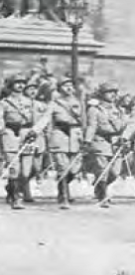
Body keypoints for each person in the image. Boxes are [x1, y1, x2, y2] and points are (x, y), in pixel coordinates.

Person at [0, 74, 48, 209]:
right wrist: (1, 130)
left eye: (22, 83)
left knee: (26, 172)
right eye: (17, 83)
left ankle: (11, 188)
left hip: (27, 134)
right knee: (14, 168)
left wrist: (36, 130)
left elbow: (42, 118)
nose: (20, 85)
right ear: (10, 85)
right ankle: (16, 199)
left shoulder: (31, 102)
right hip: (10, 135)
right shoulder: (4, 103)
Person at [83, 82, 126, 207]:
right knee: (103, 170)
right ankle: (103, 196)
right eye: (109, 92)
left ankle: (99, 186)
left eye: (114, 92)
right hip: (100, 141)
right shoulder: (94, 109)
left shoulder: (119, 110)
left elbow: (124, 126)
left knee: (115, 172)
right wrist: (87, 141)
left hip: (116, 142)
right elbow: (92, 126)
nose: (113, 95)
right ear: (101, 94)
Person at [49, 78, 83, 209]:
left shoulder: (79, 103)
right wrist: (36, 131)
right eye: (65, 85)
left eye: (71, 85)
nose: (69, 88)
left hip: (75, 136)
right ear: (59, 88)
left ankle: (62, 186)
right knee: (63, 168)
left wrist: (85, 138)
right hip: (60, 136)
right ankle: (63, 197)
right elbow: (47, 119)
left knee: (74, 170)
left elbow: (84, 121)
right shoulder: (54, 103)